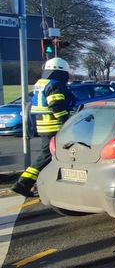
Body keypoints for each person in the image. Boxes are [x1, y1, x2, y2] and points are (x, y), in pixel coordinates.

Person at [12, 57, 74, 197]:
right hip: (54, 126)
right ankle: (23, 184)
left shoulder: (41, 83)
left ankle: (35, 184)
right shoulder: (55, 85)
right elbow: (56, 105)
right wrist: (66, 122)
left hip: (44, 125)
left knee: (49, 156)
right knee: (46, 156)